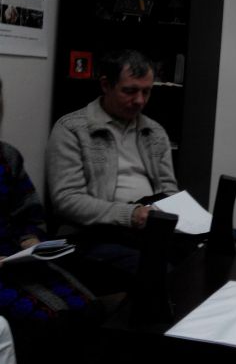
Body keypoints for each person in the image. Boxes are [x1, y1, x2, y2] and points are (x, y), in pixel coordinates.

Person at [45, 49, 180, 287]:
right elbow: (67, 201)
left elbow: (169, 190)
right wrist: (131, 215)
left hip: (148, 226)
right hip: (92, 234)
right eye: (130, 91)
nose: (139, 100)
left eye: (146, 91)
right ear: (106, 85)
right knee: (160, 270)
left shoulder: (154, 131)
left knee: (226, 244)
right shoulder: (72, 129)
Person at [0, 77, 99, 362]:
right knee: (47, 320)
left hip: (14, 258)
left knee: (89, 307)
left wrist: (30, 240)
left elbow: (28, 212)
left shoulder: (7, 156)